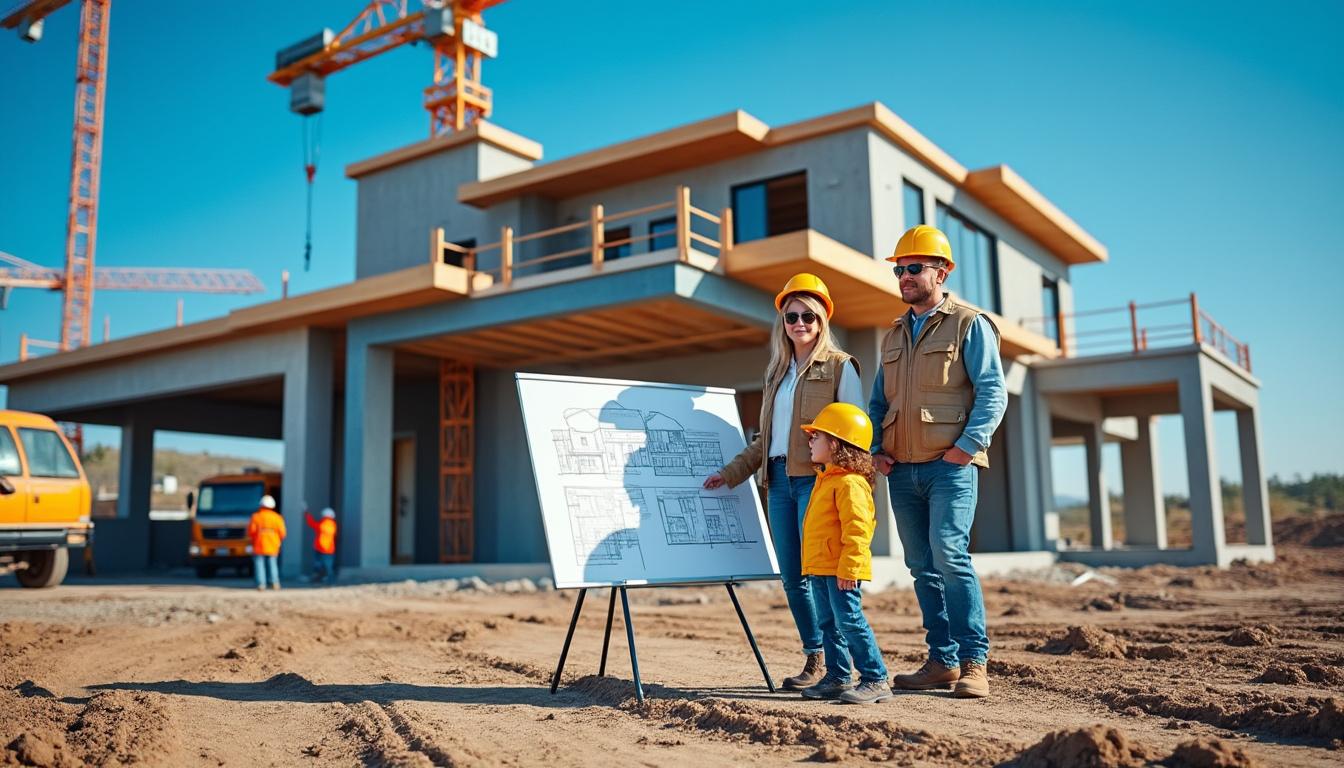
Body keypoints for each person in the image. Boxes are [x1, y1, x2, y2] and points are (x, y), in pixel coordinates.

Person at [703, 273, 864, 691]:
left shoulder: (840, 367)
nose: (800, 323)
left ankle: (840, 669)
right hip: (778, 484)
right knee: (793, 579)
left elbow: (855, 434)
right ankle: (815, 657)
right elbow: (766, 439)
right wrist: (731, 473)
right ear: (783, 323)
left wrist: (847, 486)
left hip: (817, 484)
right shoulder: (776, 374)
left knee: (823, 577)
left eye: (809, 315)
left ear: (822, 319)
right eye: (792, 316)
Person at [868, 225, 1007, 699]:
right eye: (899, 270)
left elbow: (993, 391)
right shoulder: (892, 335)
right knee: (921, 566)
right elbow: (878, 403)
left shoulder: (969, 324)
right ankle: (942, 661)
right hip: (901, 470)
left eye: (914, 268)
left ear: (942, 272)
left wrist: (967, 446)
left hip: (950, 468)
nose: (904, 276)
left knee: (950, 556)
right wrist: (876, 449)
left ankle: (974, 662)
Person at [797, 403, 891, 704]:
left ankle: (875, 678)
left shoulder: (850, 483)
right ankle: (838, 676)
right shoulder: (826, 479)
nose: (810, 441)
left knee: (849, 621)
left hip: (841, 570)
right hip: (822, 567)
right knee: (828, 623)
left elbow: (859, 530)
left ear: (836, 443)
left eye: (816, 436)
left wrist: (850, 568)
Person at [247, 494, 286, 591]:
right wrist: (278, 540)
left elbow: (251, 531)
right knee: (272, 564)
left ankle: (261, 584)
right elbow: (282, 533)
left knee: (259, 564)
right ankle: (274, 583)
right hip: (273, 544)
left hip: (259, 544)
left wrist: (253, 541)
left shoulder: (256, 517)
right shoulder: (277, 517)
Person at [304, 506, 338, 584]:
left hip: (323, 548)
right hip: (326, 548)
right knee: (324, 565)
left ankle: (326, 579)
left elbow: (313, 524)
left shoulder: (324, 524)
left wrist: (307, 515)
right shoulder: (331, 524)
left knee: (323, 565)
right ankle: (324, 579)